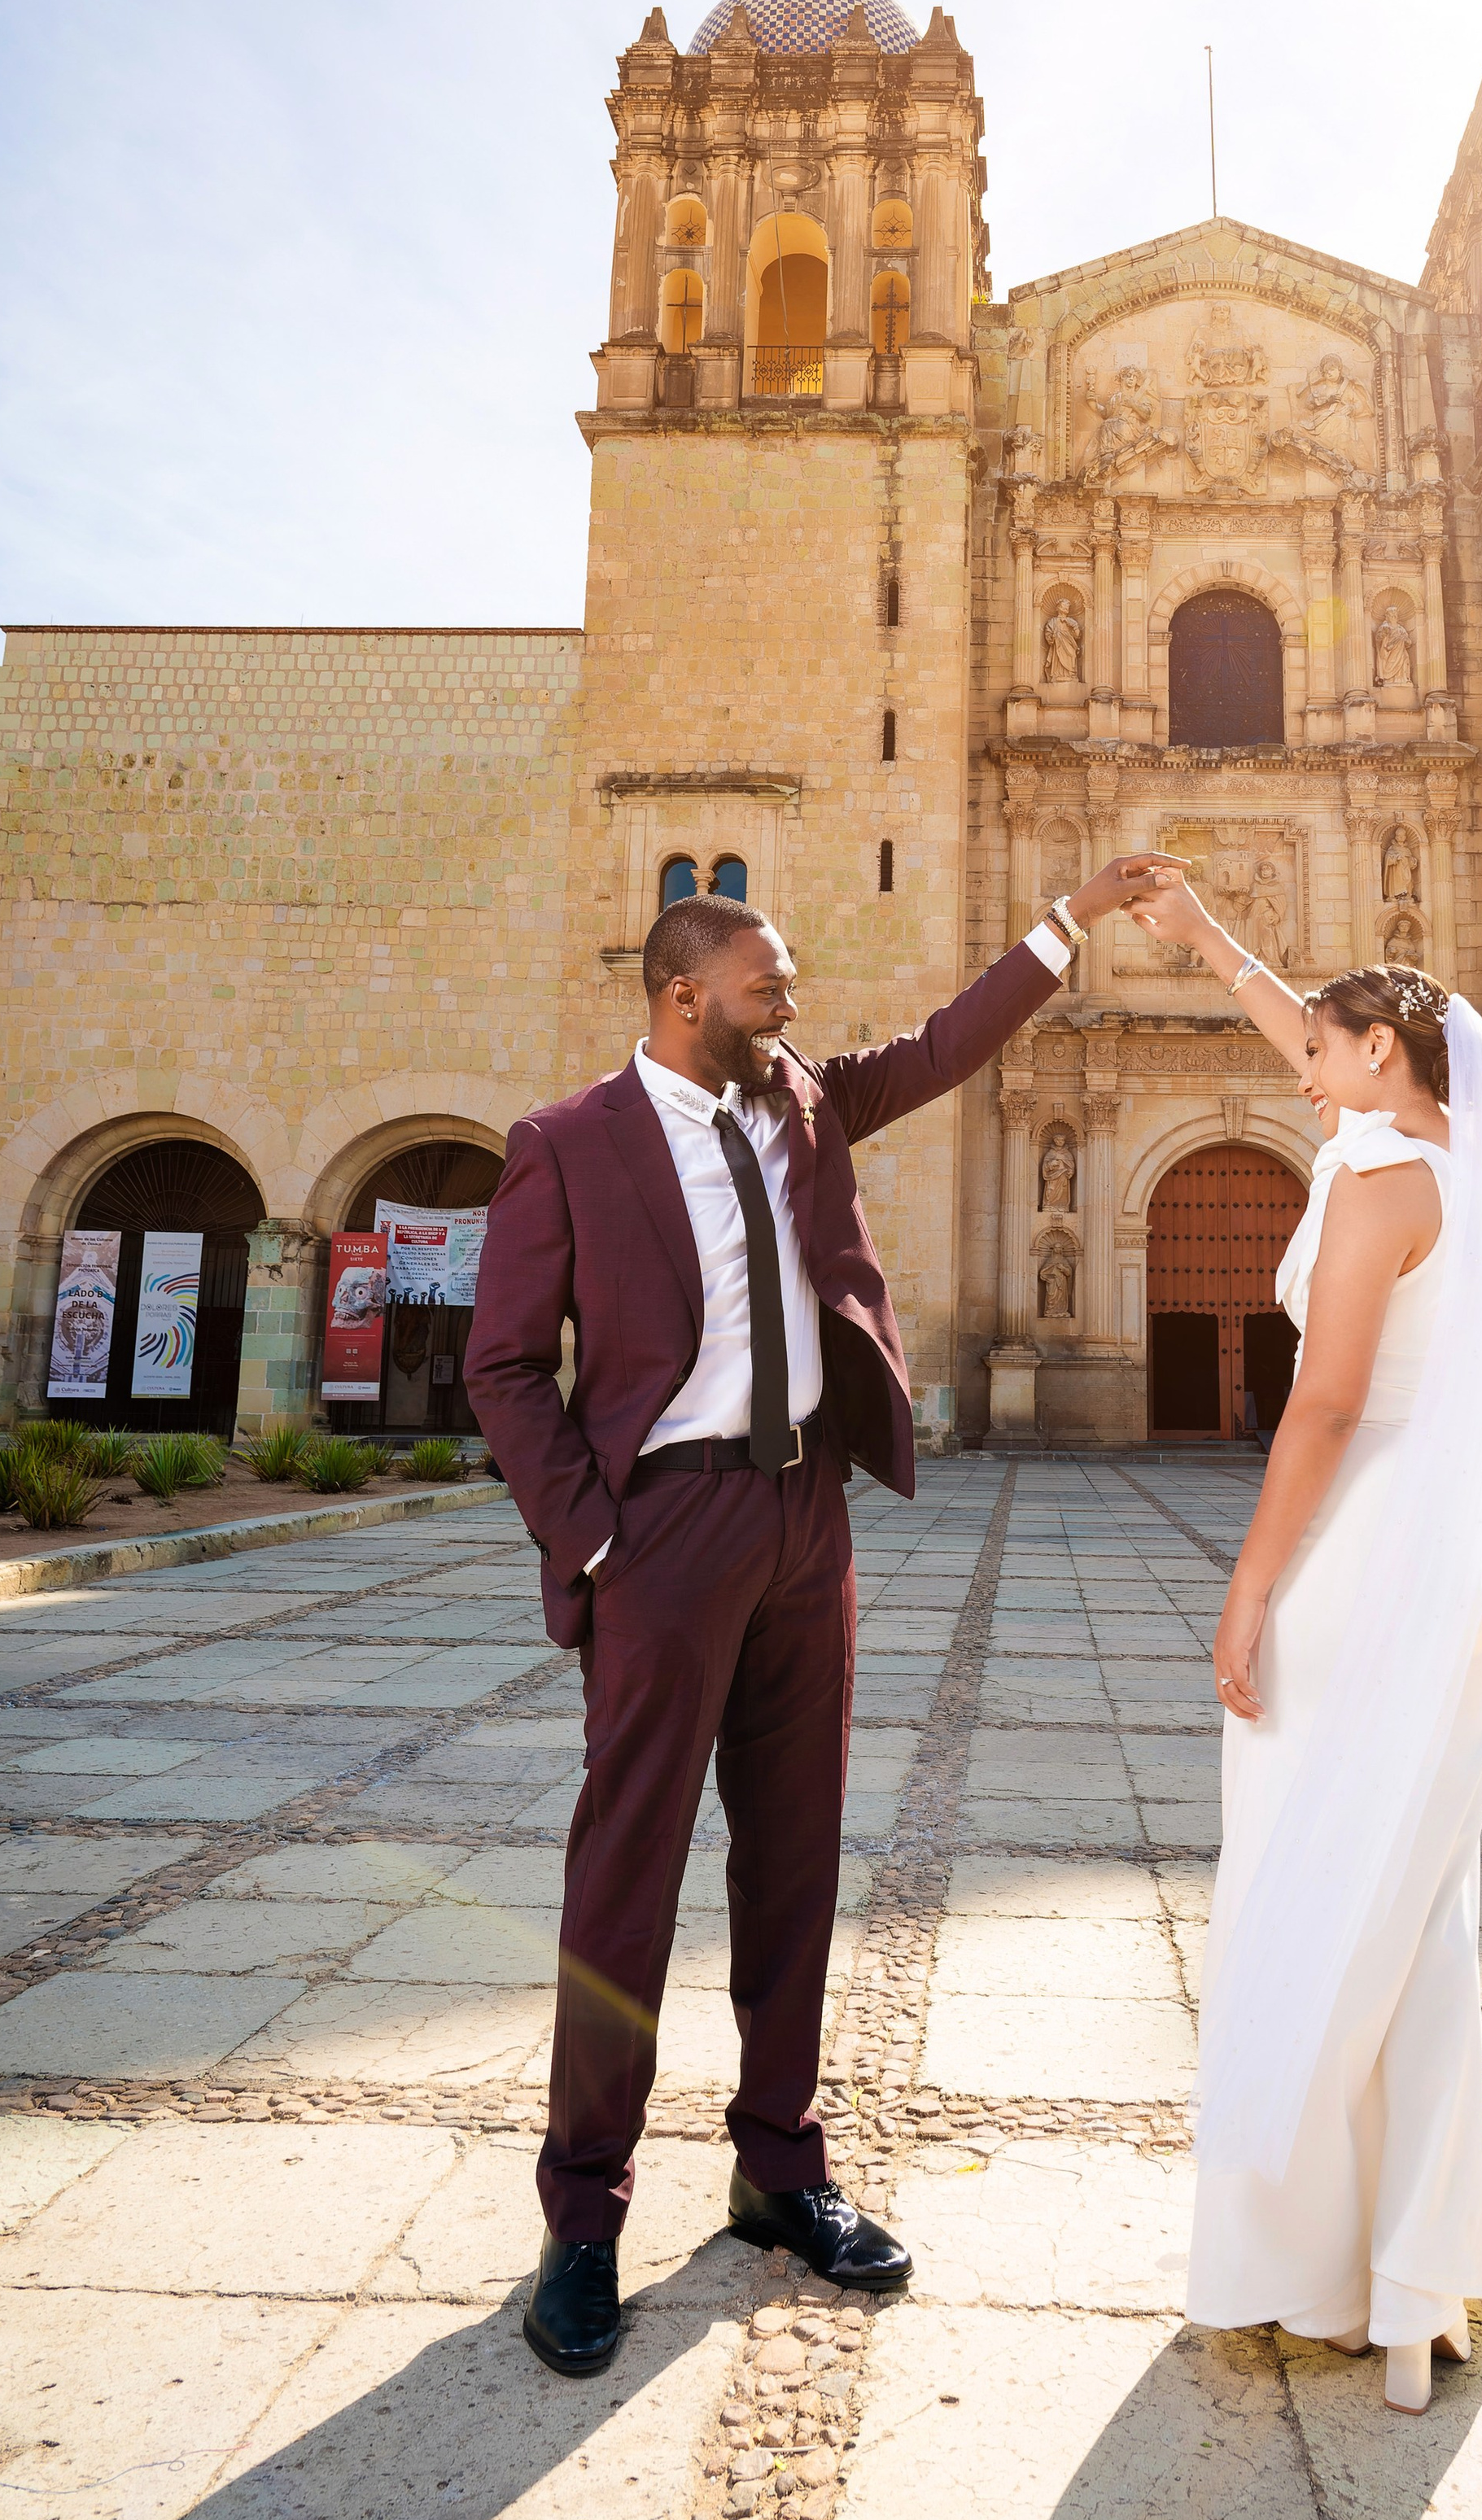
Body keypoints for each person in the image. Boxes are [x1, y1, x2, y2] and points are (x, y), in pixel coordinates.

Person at [466, 855, 1180, 2380]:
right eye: (767, 984)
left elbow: (939, 1047)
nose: (791, 1003)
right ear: (685, 996)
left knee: (795, 1856)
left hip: (805, 1521)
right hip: (664, 1533)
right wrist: (596, 1540)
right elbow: (504, 1367)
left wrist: (1067, 919)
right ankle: (582, 2217)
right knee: (627, 1872)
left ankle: (781, 2167)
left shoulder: (799, 1101)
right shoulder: (567, 1144)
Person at [1126, 871, 1482, 2415]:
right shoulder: (1460, 1161)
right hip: (1473, 1539)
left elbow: (1329, 1401)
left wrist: (1249, 1583)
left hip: (1370, 1550)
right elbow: (1299, 1018)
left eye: (1320, 1046)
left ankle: (1308, 2272)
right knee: (1419, 1905)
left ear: (1381, 1053)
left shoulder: (1372, 1185)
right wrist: (1207, 937)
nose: (1296, 1063)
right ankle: (1419, 2279)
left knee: (1304, 1882)